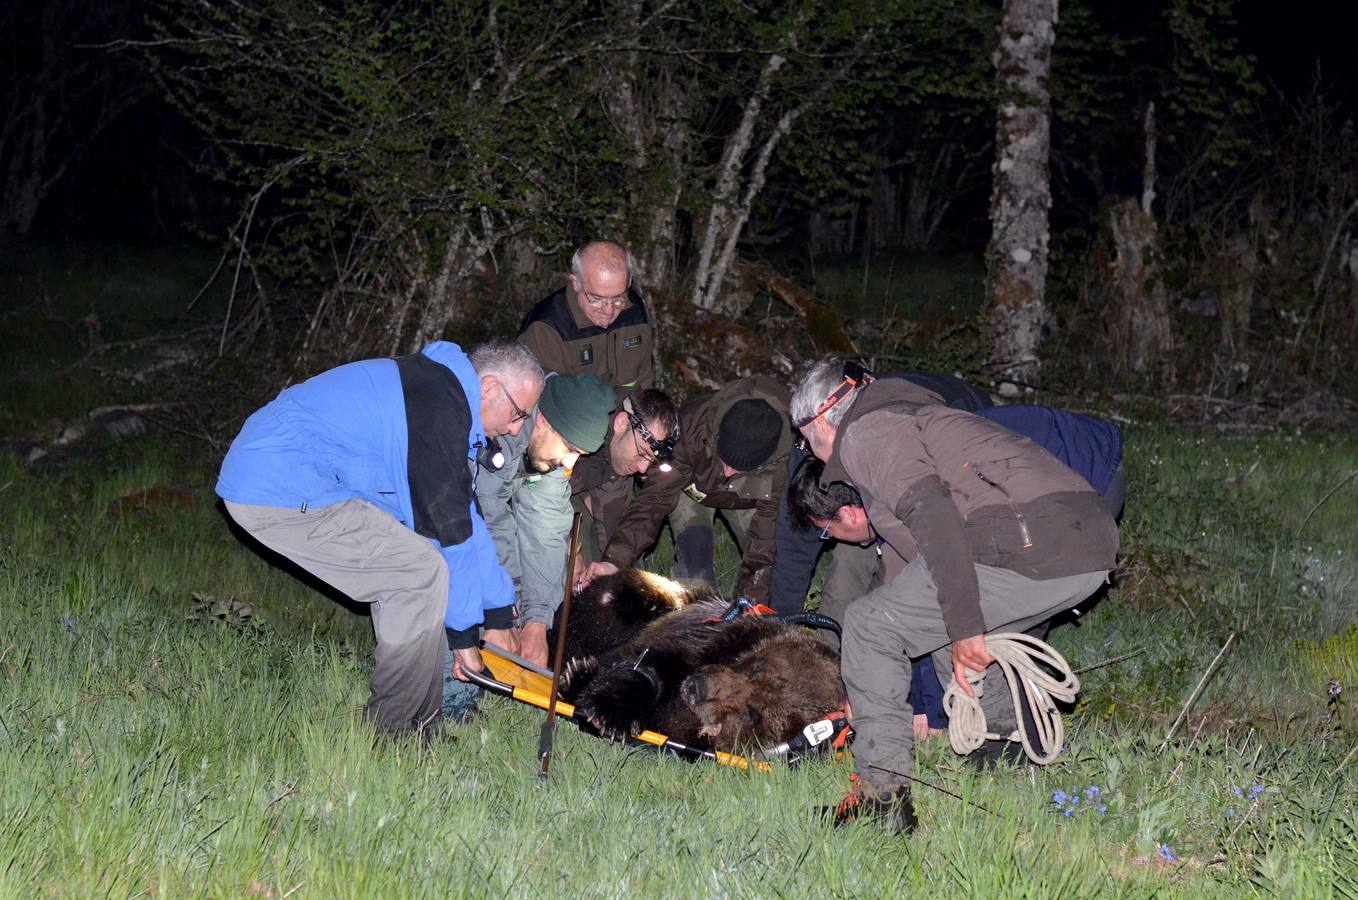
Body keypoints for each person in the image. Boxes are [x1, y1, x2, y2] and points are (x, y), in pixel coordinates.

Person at [790, 358, 1118, 833]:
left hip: (1031, 539)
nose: (809, 450)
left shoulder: (867, 433)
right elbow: (913, 571)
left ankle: (880, 800)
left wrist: (965, 627)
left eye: (803, 439)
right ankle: (1001, 752)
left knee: (870, 623)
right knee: (924, 620)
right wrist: (866, 682)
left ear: (820, 421)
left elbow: (936, 519)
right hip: (1083, 539)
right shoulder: (907, 417)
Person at [216, 339, 544, 738]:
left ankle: (420, 722)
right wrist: (464, 640)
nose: (514, 430)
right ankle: (396, 732)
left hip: (305, 480)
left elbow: (467, 522)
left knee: (420, 568)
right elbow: (451, 534)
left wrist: (497, 613)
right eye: (517, 414)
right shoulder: (437, 408)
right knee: (416, 573)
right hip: (277, 481)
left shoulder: (445, 397)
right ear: (490, 387)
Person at [579, 376, 793, 604]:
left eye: (738, 468)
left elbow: (765, 541)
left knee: (772, 570)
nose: (727, 473)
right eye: (724, 461)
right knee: (697, 576)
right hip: (692, 489)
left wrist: (748, 607)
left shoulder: (781, 463)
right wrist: (615, 560)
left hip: (748, 498)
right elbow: (654, 501)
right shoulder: (692, 427)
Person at [476, 373, 616, 668]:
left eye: (579, 455)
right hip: (415, 522)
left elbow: (546, 532)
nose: (569, 464)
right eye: (569, 449)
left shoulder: (547, 451)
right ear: (542, 421)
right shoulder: (500, 428)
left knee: (559, 551)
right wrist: (507, 612)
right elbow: (488, 522)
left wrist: (536, 621)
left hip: (479, 521)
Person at [568, 388, 679, 574]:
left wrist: (614, 568)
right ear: (621, 423)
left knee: (611, 565)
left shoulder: (620, 455)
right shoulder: (578, 426)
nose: (643, 469)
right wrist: (573, 553)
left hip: (588, 481)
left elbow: (618, 527)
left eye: (651, 461)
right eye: (642, 453)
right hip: (530, 492)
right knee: (574, 553)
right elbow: (540, 497)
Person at [518, 240, 655, 390]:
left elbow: (645, 381)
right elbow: (543, 400)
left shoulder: (635, 312)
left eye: (618, 298)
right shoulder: (546, 328)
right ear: (575, 282)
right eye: (596, 299)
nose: (608, 311)